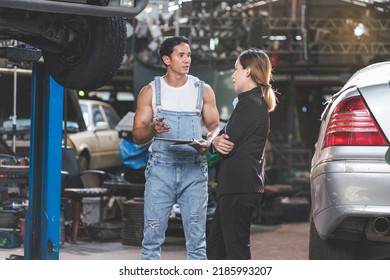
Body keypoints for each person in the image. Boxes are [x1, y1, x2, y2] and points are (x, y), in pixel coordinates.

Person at [132, 36, 220, 260]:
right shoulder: (151, 91)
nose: (187, 59)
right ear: (166, 59)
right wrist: (152, 128)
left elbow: (214, 127)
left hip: (194, 169)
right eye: (181, 55)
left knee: (197, 242)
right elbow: (137, 136)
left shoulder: (203, 90)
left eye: (189, 55)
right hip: (161, 169)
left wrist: (208, 142)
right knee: (151, 240)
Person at [206, 48, 277, 260]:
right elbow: (221, 141)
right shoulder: (250, 103)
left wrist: (213, 141)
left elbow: (225, 140)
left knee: (236, 253)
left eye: (236, 69)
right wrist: (215, 141)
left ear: (248, 71)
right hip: (235, 188)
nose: (233, 75)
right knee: (216, 250)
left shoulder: (250, 104)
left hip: (239, 188)